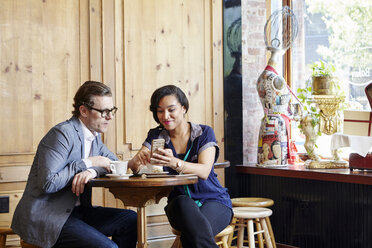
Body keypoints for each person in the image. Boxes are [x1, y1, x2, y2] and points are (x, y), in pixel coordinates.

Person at [11, 81, 137, 248]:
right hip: (48, 217)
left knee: (130, 220)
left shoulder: (94, 136)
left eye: (112, 110)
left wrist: (92, 171)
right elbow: (48, 183)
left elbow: (112, 163)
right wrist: (87, 163)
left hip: (77, 213)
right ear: (83, 110)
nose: (110, 117)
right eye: (104, 111)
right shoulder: (62, 134)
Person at [129, 85, 232, 247]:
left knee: (193, 236)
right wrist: (136, 162)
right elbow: (135, 167)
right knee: (184, 204)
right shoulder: (156, 136)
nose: (165, 116)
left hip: (214, 200)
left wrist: (174, 163)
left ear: (183, 108)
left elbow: (204, 171)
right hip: (178, 205)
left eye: (171, 109)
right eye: (160, 111)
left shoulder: (204, 133)